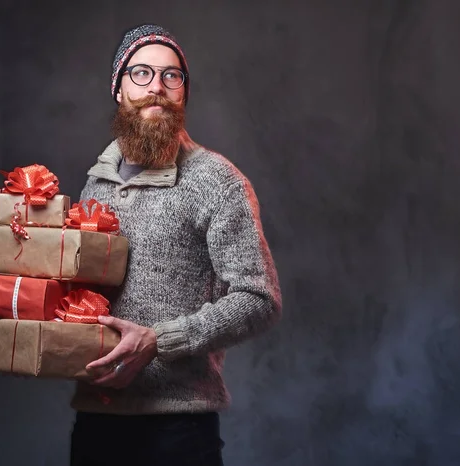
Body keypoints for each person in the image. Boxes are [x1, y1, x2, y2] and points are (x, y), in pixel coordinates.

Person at [69, 24, 282, 466]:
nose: (157, 88)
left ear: (184, 92)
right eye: (141, 73)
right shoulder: (96, 183)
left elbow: (260, 299)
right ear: (118, 88)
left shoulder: (216, 181)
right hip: (95, 421)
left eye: (172, 76)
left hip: (177, 433)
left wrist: (160, 339)